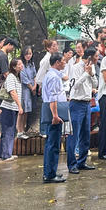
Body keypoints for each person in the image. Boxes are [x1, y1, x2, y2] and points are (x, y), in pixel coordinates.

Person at [67, 47, 97, 174]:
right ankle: (72, 164)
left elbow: (95, 84)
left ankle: (82, 162)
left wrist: (91, 74)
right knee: (74, 134)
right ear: (89, 57)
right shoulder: (75, 68)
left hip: (87, 103)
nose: (97, 58)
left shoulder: (92, 67)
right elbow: (75, 85)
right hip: (76, 103)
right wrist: (86, 73)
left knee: (85, 134)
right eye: (96, 56)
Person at [41, 53, 67, 183]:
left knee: (51, 143)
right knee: (53, 144)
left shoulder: (50, 75)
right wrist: (55, 115)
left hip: (51, 112)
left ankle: (50, 171)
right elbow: (53, 97)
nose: (65, 63)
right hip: (53, 114)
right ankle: (49, 174)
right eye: (63, 61)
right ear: (57, 62)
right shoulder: (54, 77)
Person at [0, 58, 24, 161]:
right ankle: (6, 154)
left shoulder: (17, 77)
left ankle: (3, 154)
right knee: (8, 130)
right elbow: (12, 92)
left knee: (9, 130)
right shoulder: (11, 77)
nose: (21, 66)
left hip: (13, 108)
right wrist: (20, 106)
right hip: (8, 107)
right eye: (19, 64)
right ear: (14, 67)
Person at [17, 46, 36, 138]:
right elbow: (24, 78)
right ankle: (19, 130)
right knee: (22, 110)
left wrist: (35, 86)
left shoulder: (32, 64)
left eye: (30, 54)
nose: (28, 56)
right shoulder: (22, 65)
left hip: (31, 88)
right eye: (26, 54)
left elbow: (35, 75)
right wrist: (31, 88)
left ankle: (24, 129)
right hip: (24, 89)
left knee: (27, 110)